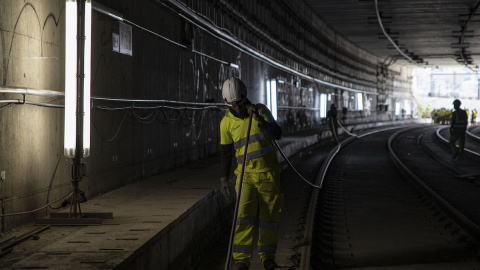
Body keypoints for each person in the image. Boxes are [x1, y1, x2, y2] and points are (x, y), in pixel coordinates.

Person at [219, 77, 282, 270]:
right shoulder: (226, 123)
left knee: (269, 218)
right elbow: (225, 153)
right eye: (233, 105)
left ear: (245, 98)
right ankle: (241, 261)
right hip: (245, 177)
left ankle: (268, 258)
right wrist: (224, 178)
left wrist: (262, 122)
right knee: (243, 216)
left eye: (240, 103)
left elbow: (278, 133)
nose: (237, 108)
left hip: (268, 174)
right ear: (227, 103)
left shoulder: (260, 110)